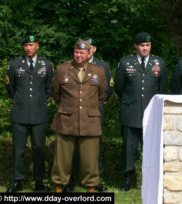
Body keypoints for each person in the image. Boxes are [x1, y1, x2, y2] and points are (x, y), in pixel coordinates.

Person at [50, 39, 107, 193]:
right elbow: (56, 93)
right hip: (66, 120)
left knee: (90, 159)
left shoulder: (99, 71)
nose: (78, 55)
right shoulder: (62, 69)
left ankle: (91, 187)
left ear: (89, 53)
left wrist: (89, 109)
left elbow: (102, 95)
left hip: (90, 121)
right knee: (62, 159)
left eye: (82, 52)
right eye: (76, 52)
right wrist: (69, 107)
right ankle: (59, 186)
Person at [115, 32, 167, 191]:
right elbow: (119, 87)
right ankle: (127, 179)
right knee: (128, 149)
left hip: (151, 114)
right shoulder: (125, 63)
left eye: (148, 45)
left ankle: (150, 179)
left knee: (151, 149)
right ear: (136, 46)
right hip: (131, 111)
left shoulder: (159, 63)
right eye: (142, 45)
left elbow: (162, 89)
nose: (145, 48)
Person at [5, 34, 53, 192]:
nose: (28, 48)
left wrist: (41, 101)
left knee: (39, 148)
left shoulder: (46, 64)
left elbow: (49, 88)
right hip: (19, 113)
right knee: (18, 149)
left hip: (39, 113)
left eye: (31, 45)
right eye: (26, 45)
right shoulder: (14, 64)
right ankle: (17, 181)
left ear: (37, 46)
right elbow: (10, 86)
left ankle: (39, 181)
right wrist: (19, 100)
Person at [65, 37, 112, 192]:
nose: (87, 50)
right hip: (75, 113)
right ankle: (71, 179)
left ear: (94, 49)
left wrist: (93, 106)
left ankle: (95, 181)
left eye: (90, 47)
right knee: (73, 146)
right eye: (84, 48)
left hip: (94, 113)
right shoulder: (69, 65)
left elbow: (106, 91)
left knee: (94, 147)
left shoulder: (103, 66)